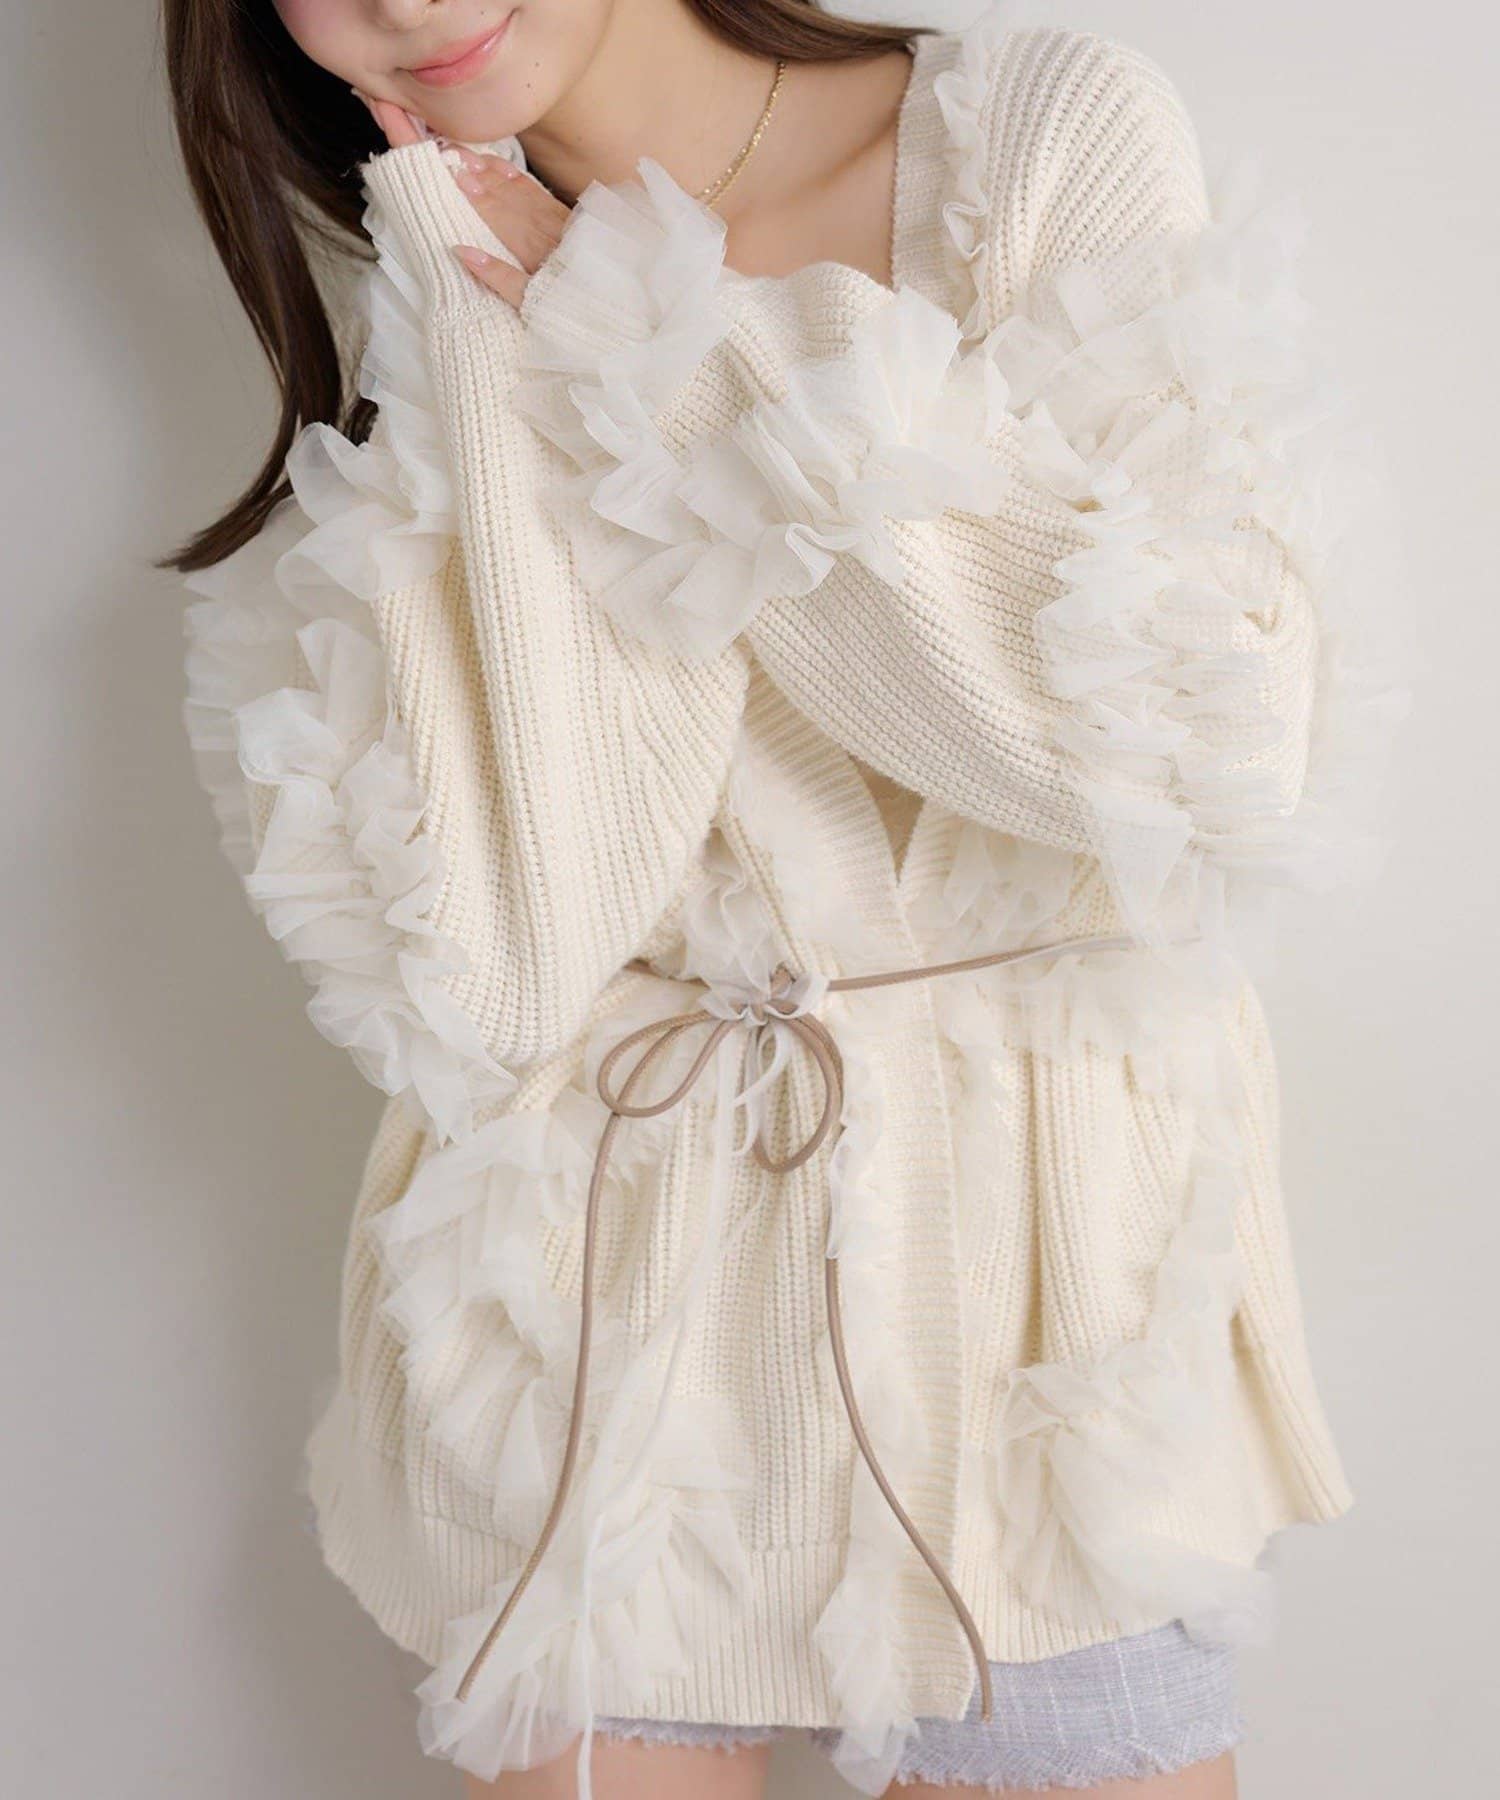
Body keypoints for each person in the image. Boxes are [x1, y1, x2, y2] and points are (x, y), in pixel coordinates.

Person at [162, 0, 1407, 1795]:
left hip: (1043, 1335)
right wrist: (482, 301)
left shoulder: (1030, 144)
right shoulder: (430, 258)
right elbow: (505, 968)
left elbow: (1191, 737)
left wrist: (652, 340)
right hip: (594, 1326)